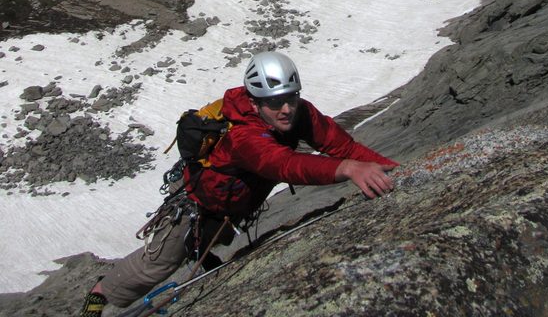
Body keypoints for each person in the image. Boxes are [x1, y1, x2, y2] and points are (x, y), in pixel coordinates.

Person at [81, 51, 398, 315]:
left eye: (291, 98)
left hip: (230, 203)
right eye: (275, 102)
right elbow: (283, 165)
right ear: (256, 102)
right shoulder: (243, 137)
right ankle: (97, 297)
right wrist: (347, 169)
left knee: (202, 250)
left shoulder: (298, 113)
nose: (286, 109)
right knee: (156, 266)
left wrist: (389, 168)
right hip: (195, 205)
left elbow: (340, 145)